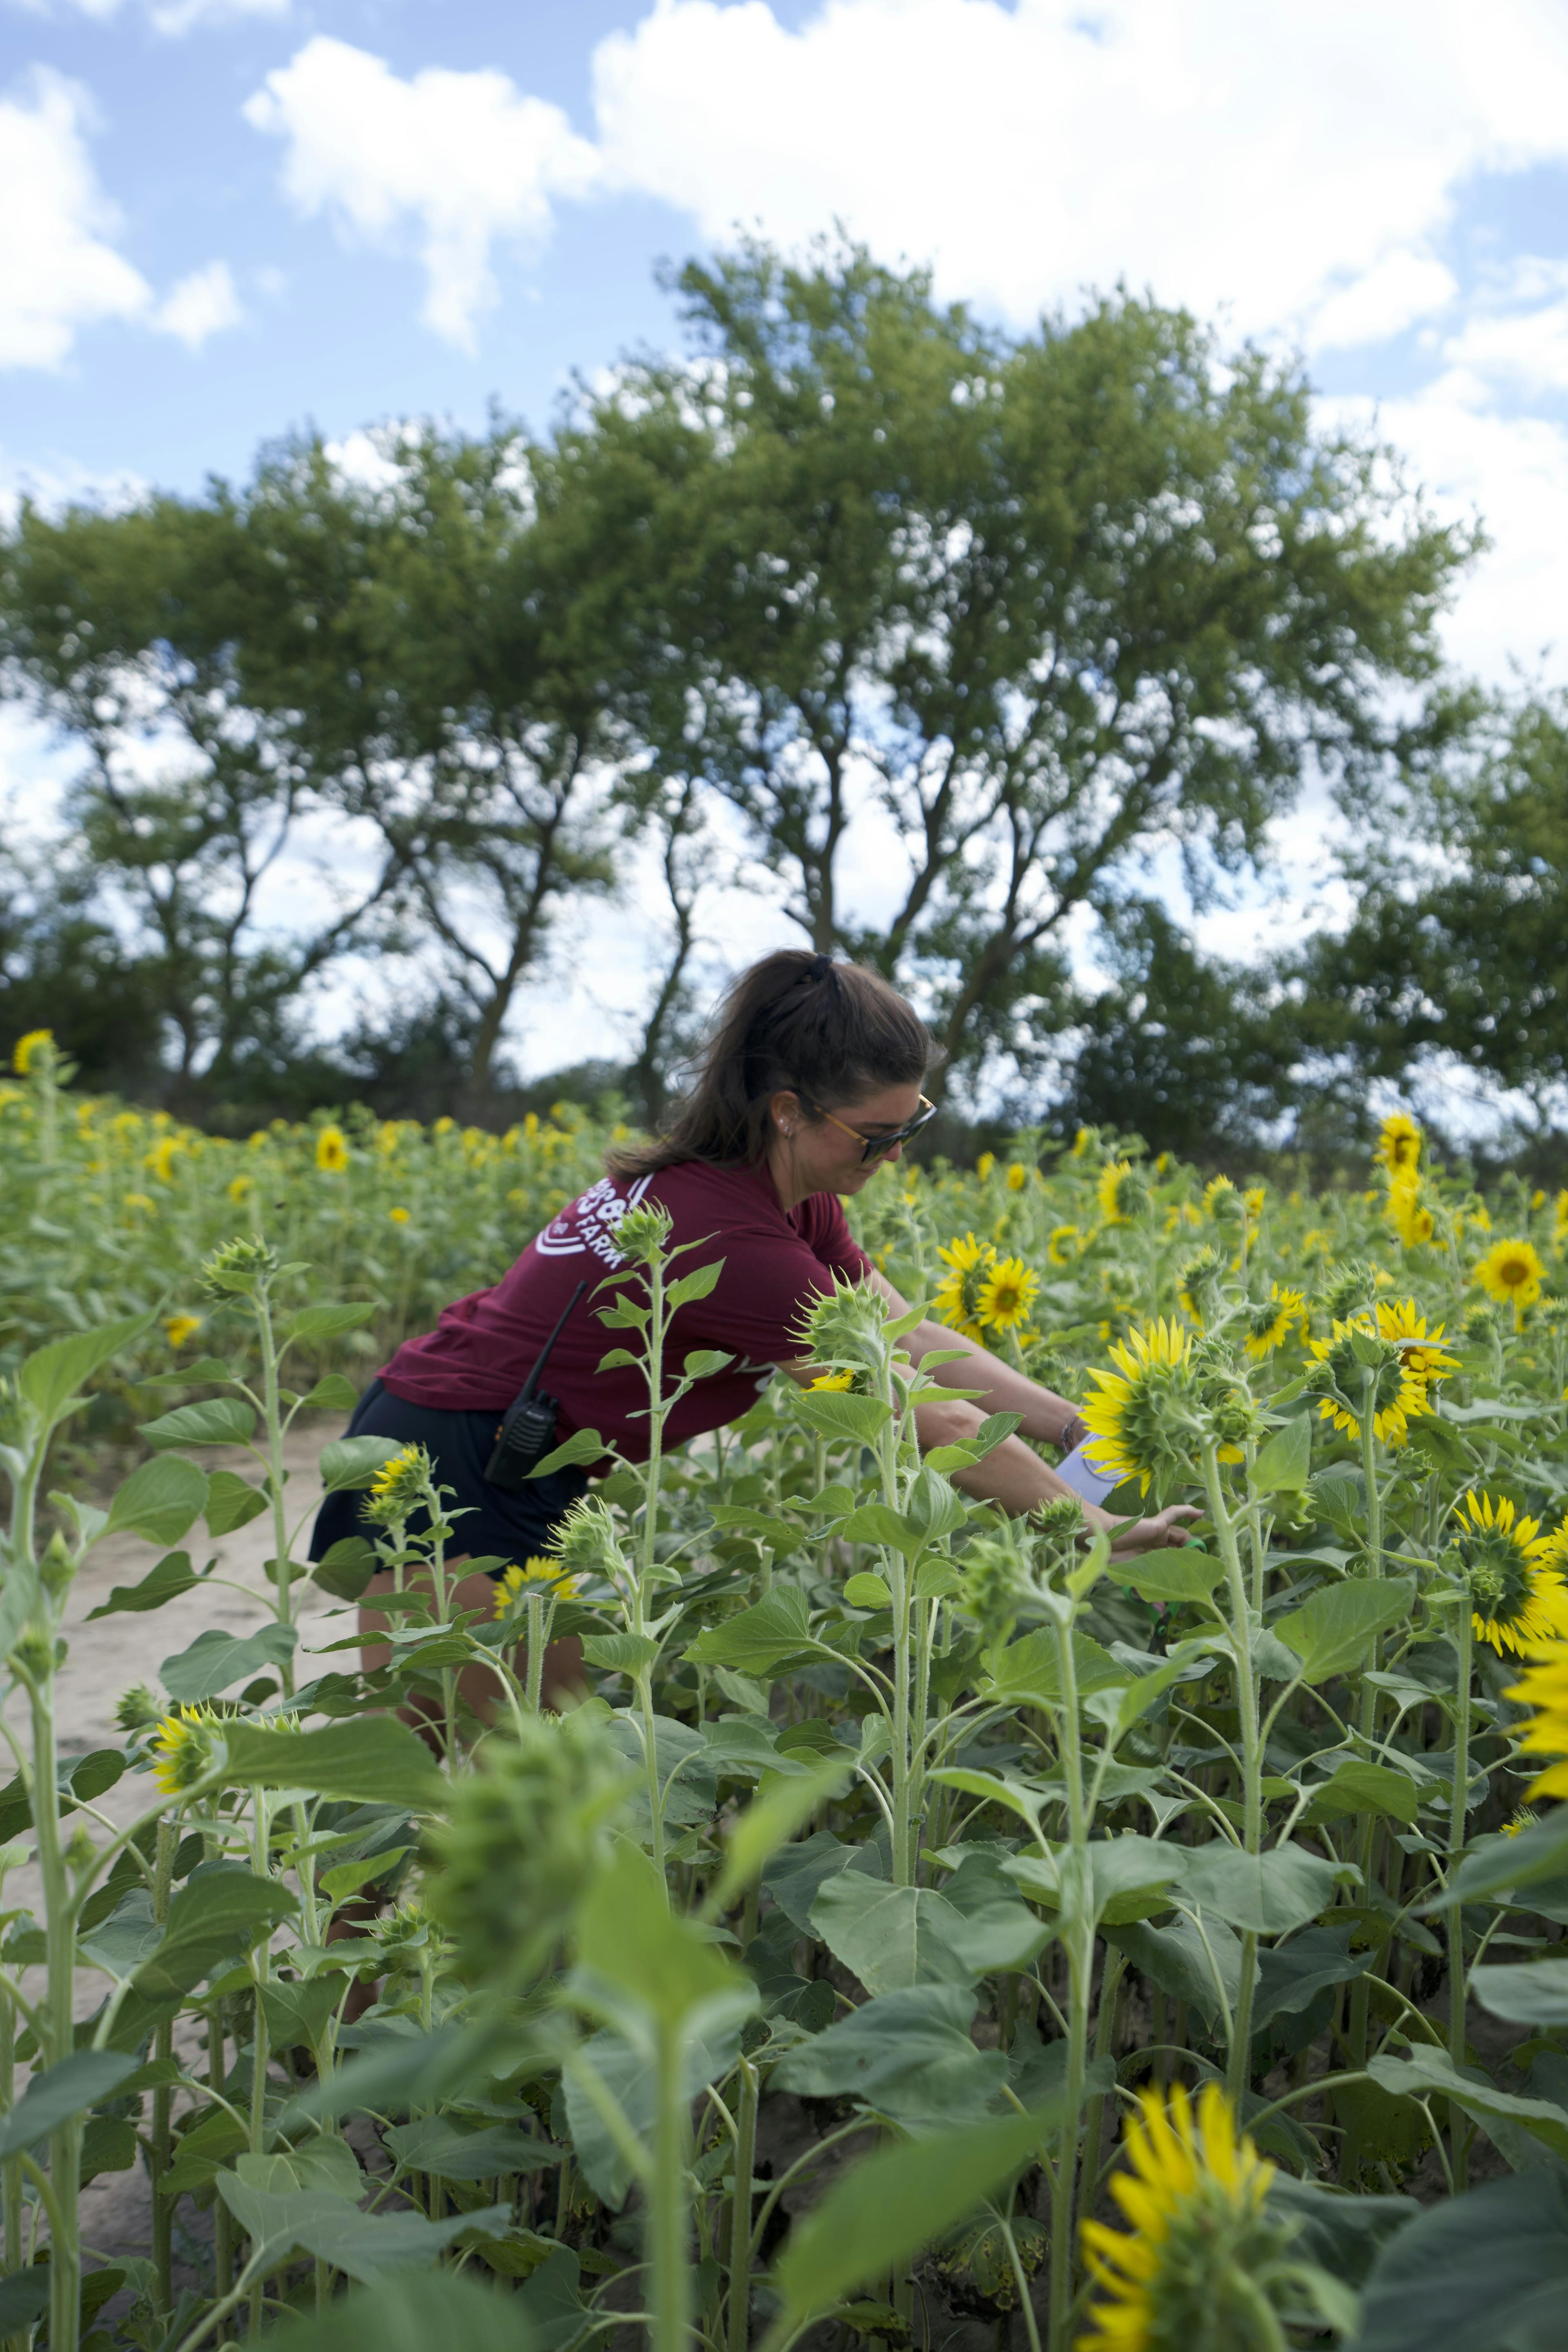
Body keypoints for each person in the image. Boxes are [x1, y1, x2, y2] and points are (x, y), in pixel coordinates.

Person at [310, 949, 1195, 1706]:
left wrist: (1078, 1423)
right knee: (451, 1780)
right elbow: (931, 1421)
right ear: (787, 1110)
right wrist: (1093, 1531)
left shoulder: (781, 1194)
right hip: (448, 1466)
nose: (891, 1158)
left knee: (533, 1756)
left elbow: (906, 1333)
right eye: (874, 1137)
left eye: (910, 1128)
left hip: (510, 1452)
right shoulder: (731, 1243)